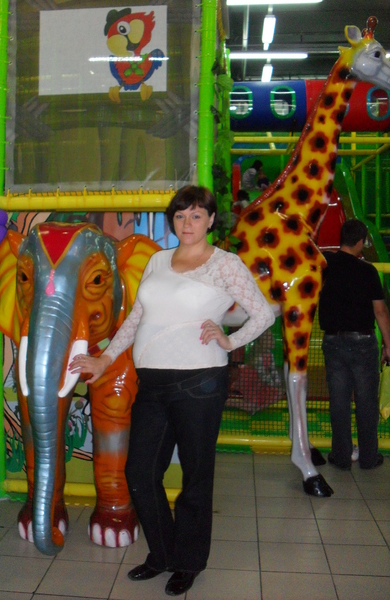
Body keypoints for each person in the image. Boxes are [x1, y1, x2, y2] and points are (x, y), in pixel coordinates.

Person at [69, 185, 275, 596]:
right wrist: (105, 359)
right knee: (140, 473)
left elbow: (263, 313)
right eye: (180, 216)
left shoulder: (225, 264)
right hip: (152, 384)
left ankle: (189, 562)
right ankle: (161, 553)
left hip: (200, 382)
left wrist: (230, 340)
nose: (187, 223)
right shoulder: (159, 260)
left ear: (211, 220)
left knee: (196, 478)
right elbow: (136, 317)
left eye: (196, 215)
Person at [319, 219, 390, 471]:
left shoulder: (324, 265)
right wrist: (388, 344)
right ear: (360, 242)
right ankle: (369, 457)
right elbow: (380, 311)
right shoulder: (367, 271)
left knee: (339, 401)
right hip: (363, 342)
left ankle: (342, 456)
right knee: (366, 402)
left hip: (333, 340)